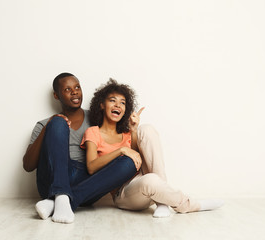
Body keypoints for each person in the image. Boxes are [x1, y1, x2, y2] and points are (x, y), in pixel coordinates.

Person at [81, 79, 224, 218]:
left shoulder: (127, 133)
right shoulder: (93, 132)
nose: (118, 105)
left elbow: (136, 160)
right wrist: (120, 150)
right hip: (124, 193)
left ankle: (161, 202)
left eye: (122, 102)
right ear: (101, 105)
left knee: (146, 129)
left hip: (143, 178)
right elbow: (91, 167)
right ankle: (193, 205)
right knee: (151, 181)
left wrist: (134, 130)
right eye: (112, 100)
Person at [22, 73, 137, 224]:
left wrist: (133, 131)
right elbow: (28, 166)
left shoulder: (97, 118)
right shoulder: (45, 124)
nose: (74, 91)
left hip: (86, 182)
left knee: (130, 162)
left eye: (77, 87)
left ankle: (57, 202)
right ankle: (60, 193)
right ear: (56, 95)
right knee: (58, 122)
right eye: (67, 89)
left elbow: (120, 142)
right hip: (52, 180)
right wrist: (49, 126)